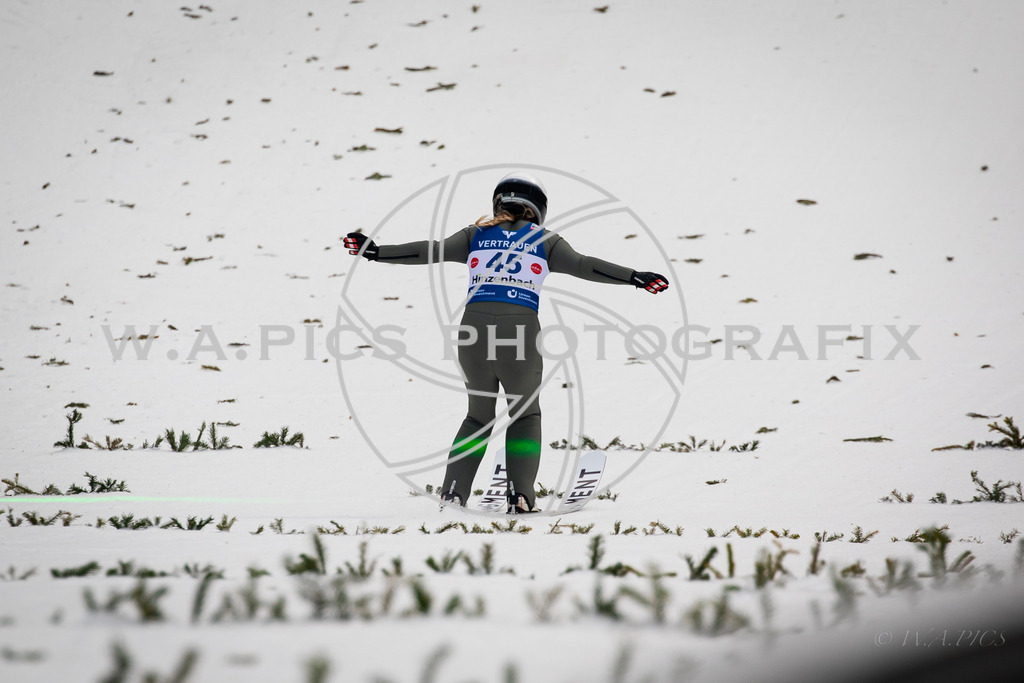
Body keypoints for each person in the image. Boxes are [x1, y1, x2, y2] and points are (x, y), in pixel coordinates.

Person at [345, 172, 668, 513]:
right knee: (525, 415)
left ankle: (452, 492)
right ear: (538, 208)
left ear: (498, 202)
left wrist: (375, 251)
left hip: (473, 331)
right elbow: (584, 266)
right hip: (519, 331)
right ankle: (521, 495)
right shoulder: (546, 241)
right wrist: (635, 277)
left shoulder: (475, 234)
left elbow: (429, 251)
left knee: (477, 418)